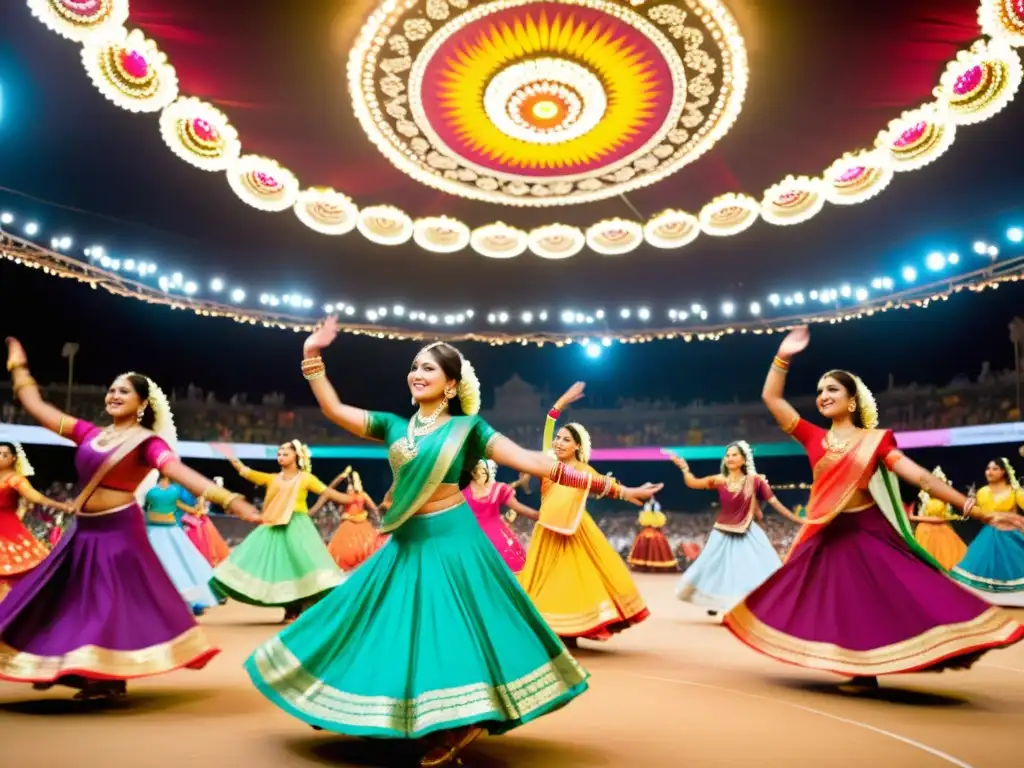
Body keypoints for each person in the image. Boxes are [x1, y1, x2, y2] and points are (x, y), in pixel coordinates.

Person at [245, 318, 660, 768]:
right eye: (414, 367)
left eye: (428, 369)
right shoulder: (392, 426)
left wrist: (616, 490)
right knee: (384, 623)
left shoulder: (470, 430)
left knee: (453, 632)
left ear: (450, 385)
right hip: (407, 543)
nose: (417, 374)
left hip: (452, 540)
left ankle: (461, 722)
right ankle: (369, 708)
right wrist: (312, 355)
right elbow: (335, 410)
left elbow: (532, 461)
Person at [724, 326, 1024, 694]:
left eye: (832, 389)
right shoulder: (812, 436)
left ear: (852, 401)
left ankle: (933, 651)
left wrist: (977, 511)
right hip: (828, 536)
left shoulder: (875, 441)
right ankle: (860, 671)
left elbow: (921, 478)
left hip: (867, 533)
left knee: (892, 599)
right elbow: (771, 397)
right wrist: (783, 356)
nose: (823, 395)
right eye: (819, 391)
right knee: (818, 602)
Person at [1, 338, 261, 700]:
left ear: (142, 403)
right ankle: (74, 666)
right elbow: (37, 407)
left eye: (123, 390)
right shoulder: (89, 434)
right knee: (67, 600)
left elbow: (180, 472)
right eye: (111, 390)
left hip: (118, 533)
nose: (114, 395)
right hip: (83, 532)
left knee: (106, 603)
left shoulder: (148, 443)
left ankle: (107, 676)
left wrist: (231, 500)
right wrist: (19, 368)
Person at [517, 383, 650, 645]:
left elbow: (605, 486)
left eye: (566, 440)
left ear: (577, 446)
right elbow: (548, 426)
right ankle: (551, 628)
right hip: (547, 532)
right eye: (558, 438)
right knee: (545, 581)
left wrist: (626, 492)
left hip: (575, 533)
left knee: (573, 581)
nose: (559, 442)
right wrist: (559, 404)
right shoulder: (548, 463)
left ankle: (570, 631)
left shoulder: (584, 470)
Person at [212, 441, 352, 621]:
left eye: (285, 453)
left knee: (303, 566)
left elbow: (327, 492)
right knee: (279, 567)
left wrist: (354, 499)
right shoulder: (272, 478)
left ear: (297, 456)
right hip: (274, 526)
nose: (281, 456)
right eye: (279, 454)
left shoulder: (305, 478)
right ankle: (290, 607)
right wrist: (231, 456)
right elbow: (245, 472)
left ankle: (302, 605)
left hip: (298, 527)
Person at [668, 443, 800, 616]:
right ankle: (715, 602)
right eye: (727, 455)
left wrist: (798, 519)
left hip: (748, 532)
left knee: (758, 567)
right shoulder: (720, 479)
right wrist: (685, 469)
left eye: (734, 455)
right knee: (714, 568)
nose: (729, 458)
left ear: (744, 459)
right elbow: (693, 483)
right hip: (722, 532)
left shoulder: (756, 481)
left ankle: (757, 604)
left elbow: (775, 503)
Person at [0, 441, 72, 600]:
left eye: (4, 455)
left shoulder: (15, 479)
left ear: (13, 458)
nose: (0, 458)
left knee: (8, 572)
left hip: (6, 528)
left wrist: (60, 506)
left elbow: (35, 497)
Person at [950, 458, 1024, 606]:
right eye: (988, 468)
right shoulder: (982, 492)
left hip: (1011, 536)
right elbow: (981, 515)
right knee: (976, 567)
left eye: (995, 469)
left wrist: (1007, 517)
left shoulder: (1016, 492)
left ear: (1004, 471)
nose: (989, 472)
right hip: (989, 535)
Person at [143, 474, 220, 615]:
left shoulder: (153, 489)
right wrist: (201, 500)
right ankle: (186, 600)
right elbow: (193, 510)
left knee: (166, 566)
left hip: (158, 532)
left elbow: (144, 508)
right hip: (167, 532)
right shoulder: (174, 490)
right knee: (179, 566)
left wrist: (201, 501)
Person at [463, 459, 538, 572]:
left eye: (492, 470)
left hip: (486, 541)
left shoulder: (496, 489)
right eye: (485, 471)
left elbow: (520, 508)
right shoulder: (463, 492)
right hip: (483, 540)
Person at [908, 466, 968, 571]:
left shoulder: (944, 499)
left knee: (944, 560)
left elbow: (941, 519)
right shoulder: (924, 497)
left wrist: (915, 517)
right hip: (924, 532)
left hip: (940, 532)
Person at [326, 469, 386, 572]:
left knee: (367, 546)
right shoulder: (349, 496)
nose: (350, 487)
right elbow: (374, 508)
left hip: (359, 522)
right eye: (349, 485)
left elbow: (374, 508)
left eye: (351, 484)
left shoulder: (361, 495)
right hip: (349, 523)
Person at [183, 480, 232, 567]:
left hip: (199, 521)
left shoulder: (202, 498)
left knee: (206, 540)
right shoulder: (195, 497)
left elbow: (203, 509)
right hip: (195, 520)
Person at [626, 498, 678, 573]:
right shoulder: (648, 513)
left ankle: (647, 566)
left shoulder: (655, 513)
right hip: (651, 532)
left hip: (649, 533)